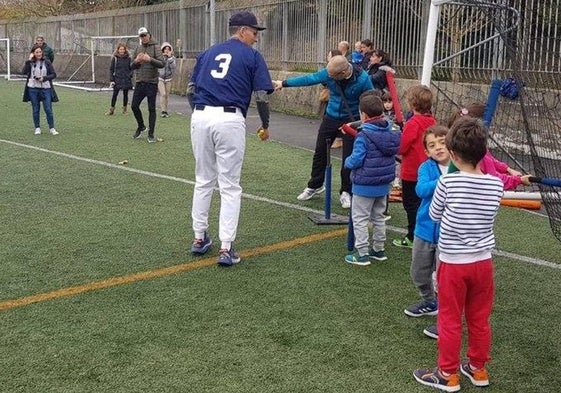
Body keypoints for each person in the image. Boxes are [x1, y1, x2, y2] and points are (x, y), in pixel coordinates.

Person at [413, 117, 503, 392]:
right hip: (483, 262)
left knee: (450, 320)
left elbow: (434, 214)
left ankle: (447, 374)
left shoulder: (447, 183)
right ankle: (478, 369)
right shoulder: (495, 185)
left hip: (453, 263)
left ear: (452, 154)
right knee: (479, 319)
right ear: (483, 152)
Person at [189, 11, 273, 267]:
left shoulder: (208, 52)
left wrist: (200, 114)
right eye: (254, 33)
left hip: (201, 116)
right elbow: (261, 95)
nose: (256, 38)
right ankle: (226, 247)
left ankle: (199, 238)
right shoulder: (251, 55)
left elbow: (191, 89)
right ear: (242, 30)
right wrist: (265, 124)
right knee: (229, 185)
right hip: (229, 118)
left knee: (203, 180)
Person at [273, 55, 374, 209]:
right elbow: (309, 79)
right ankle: (315, 185)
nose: (328, 78)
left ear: (343, 72)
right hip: (331, 116)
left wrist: (364, 122)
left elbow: (371, 99)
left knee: (349, 156)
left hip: (351, 120)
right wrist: (284, 83)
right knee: (320, 151)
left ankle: (346, 191)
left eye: (332, 77)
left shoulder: (363, 79)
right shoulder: (329, 72)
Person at [343, 93, 401, 265]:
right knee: (378, 217)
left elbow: (357, 159)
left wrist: (348, 162)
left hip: (364, 184)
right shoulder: (392, 132)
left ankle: (361, 253)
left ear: (363, 115)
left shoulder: (364, 135)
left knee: (360, 218)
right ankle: (378, 249)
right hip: (383, 184)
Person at [404, 125, 449, 319]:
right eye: (432, 145)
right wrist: (445, 180)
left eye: (442, 142)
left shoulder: (463, 167)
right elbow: (421, 190)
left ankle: (447, 313)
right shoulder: (426, 168)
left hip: (448, 235)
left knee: (445, 279)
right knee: (419, 272)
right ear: (427, 151)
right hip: (424, 229)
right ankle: (429, 301)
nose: (438, 147)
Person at [447, 103, 532, 189]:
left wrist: (508, 169)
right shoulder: (476, 154)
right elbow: (495, 179)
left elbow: (491, 160)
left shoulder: (472, 149)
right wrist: (519, 180)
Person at [393, 85, 436, 248]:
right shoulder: (432, 121)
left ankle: (413, 236)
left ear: (412, 104)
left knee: (411, 205)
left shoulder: (413, 123)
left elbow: (402, 147)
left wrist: (397, 136)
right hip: (429, 170)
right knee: (424, 204)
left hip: (412, 172)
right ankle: (424, 234)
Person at [130, 27, 165, 143]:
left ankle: (151, 134)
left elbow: (162, 64)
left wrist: (150, 59)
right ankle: (141, 126)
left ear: (149, 35)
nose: (143, 37)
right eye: (141, 36)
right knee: (134, 106)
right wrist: (136, 62)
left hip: (152, 82)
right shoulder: (137, 48)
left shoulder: (156, 47)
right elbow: (131, 66)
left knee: (151, 109)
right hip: (140, 82)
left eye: (145, 35)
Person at [21, 44, 59, 136]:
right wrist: (29, 60)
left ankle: (52, 128)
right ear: (33, 53)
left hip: (45, 88)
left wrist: (44, 78)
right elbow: (23, 72)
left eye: (40, 52)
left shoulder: (47, 62)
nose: (39, 54)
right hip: (33, 89)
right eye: (36, 52)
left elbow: (54, 74)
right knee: (35, 109)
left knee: (48, 109)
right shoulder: (30, 63)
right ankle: (37, 128)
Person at [106, 42, 133, 115]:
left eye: (123, 49)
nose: (122, 51)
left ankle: (124, 110)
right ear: (118, 50)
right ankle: (112, 109)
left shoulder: (129, 58)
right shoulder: (115, 58)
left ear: (125, 50)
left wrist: (130, 75)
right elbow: (111, 69)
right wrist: (112, 80)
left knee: (125, 94)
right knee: (115, 94)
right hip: (117, 79)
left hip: (126, 79)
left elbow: (131, 68)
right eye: (120, 49)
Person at [158, 41, 176, 118]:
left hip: (168, 78)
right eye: (165, 49)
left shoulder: (172, 58)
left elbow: (173, 67)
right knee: (163, 94)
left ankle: (165, 110)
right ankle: (162, 110)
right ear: (162, 49)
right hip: (160, 78)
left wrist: (170, 58)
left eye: (168, 49)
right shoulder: (160, 57)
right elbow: (158, 65)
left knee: (167, 95)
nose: (167, 50)